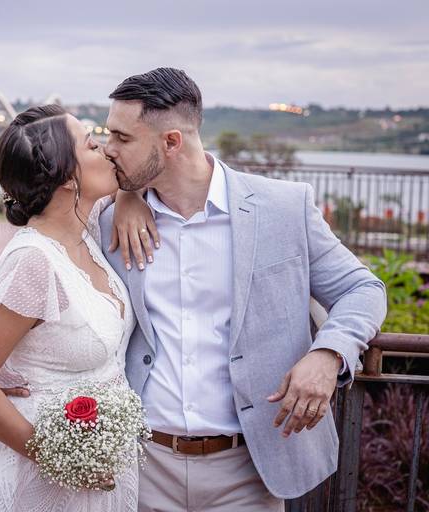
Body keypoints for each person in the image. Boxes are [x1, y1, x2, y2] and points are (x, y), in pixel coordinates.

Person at [97, 67, 387, 511]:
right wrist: (125, 195)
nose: (106, 147)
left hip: (249, 471)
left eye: (122, 138)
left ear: (171, 142)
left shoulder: (283, 208)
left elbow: (361, 288)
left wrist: (328, 354)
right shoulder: (108, 220)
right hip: (140, 466)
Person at [0, 104, 140, 511]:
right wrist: (54, 457)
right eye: (90, 145)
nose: (104, 149)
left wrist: (131, 196)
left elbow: (142, 175)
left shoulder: (86, 230)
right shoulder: (33, 263)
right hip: (31, 478)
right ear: (68, 177)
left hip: (94, 469)